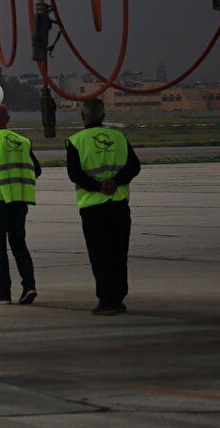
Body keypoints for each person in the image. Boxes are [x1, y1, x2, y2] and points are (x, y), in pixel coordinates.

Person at [66, 98, 141, 315]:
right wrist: (114, 182)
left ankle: (107, 301)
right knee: (119, 253)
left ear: (83, 117)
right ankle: (118, 298)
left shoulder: (75, 141)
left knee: (100, 255)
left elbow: (75, 174)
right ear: (103, 116)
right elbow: (134, 167)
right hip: (119, 205)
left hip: (93, 207)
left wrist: (99, 187)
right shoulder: (119, 137)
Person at [0, 103, 40, 305]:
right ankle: (29, 286)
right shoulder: (23, 141)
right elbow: (36, 169)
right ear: (8, 119)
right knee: (19, 244)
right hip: (20, 199)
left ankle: (3, 291)